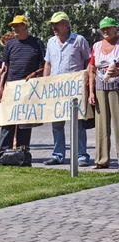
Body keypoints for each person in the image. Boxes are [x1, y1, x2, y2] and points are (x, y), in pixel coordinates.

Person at [0, 15, 45, 163]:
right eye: (13, 26)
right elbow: (5, 67)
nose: (14, 28)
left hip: (28, 88)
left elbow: (44, 64)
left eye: (17, 25)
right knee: (8, 122)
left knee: (24, 123)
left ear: (25, 26)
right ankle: (3, 154)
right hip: (11, 87)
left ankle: (23, 153)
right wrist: (1, 87)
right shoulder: (10, 44)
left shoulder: (36, 43)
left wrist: (35, 74)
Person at [42, 12, 91, 166]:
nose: (54, 27)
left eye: (57, 24)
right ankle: (58, 155)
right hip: (56, 89)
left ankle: (81, 155)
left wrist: (87, 80)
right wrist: (45, 82)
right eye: (52, 24)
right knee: (56, 124)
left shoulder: (78, 40)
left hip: (75, 88)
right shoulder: (51, 42)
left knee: (77, 124)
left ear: (66, 24)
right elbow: (48, 63)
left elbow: (89, 61)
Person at [88, 17, 119, 169]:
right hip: (100, 87)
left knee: (118, 124)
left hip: (116, 87)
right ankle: (102, 159)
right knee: (101, 125)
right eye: (103, 29)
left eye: (109, 28)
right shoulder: (97, 46)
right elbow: (92, 69)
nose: (106, 31)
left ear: (115, 28)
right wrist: (91, 92)